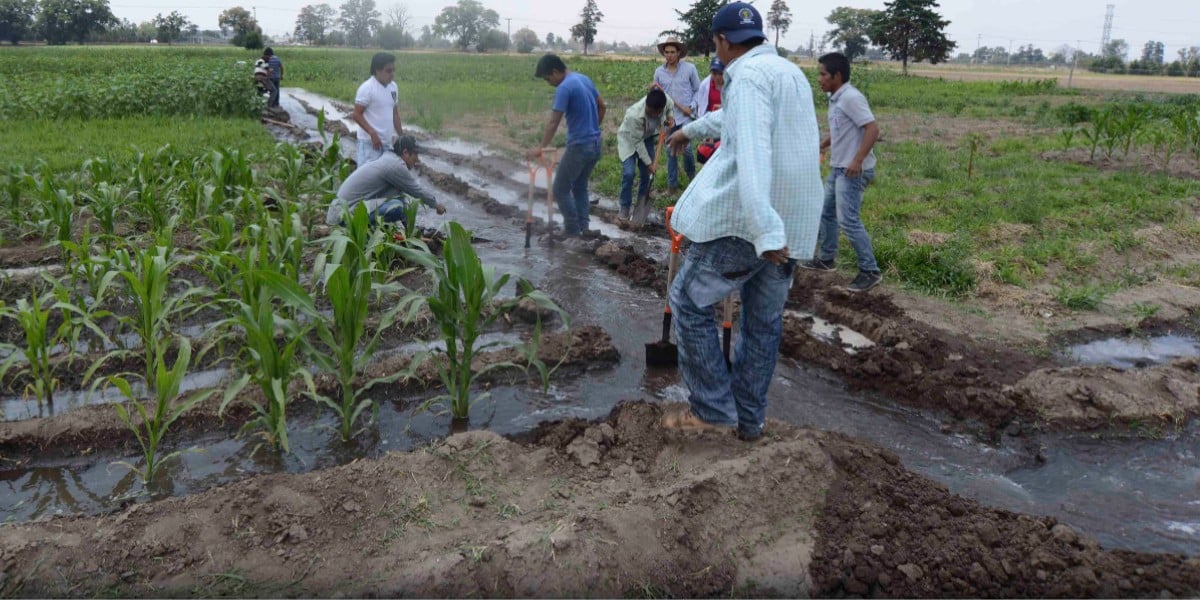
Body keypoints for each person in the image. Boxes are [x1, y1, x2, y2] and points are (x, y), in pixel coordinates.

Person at [661, 2, 823, 441]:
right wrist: (689, 131)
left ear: (723, 41)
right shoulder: (787, 72)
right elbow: (734, 121)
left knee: (689, 301)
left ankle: (712, 410)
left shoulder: (747, 78)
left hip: (752, 225)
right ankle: (749, 423)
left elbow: (752, 155)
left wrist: (764, 231)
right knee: (761, 323)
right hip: (792, 220)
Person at [800, 52, 883, 293]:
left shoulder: (851, 98)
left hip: (852, 171)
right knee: (826, 212)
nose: (819, 78)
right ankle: (826, 259)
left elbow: (872, 129)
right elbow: (841, 131)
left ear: (837, 76)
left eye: (823, 74)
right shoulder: (836, 98)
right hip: (839, 167)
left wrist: (858, 160)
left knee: (849, 220)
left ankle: (870, 270)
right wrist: (823, 145)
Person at [528, 54, 606, 241]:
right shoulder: (583, 79)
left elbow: (554, 122)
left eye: (548, 79)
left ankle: (572, 230)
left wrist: (541, 148)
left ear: (555, 72)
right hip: (595, 144)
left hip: (580, 146)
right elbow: (602, 106)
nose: (549, 83)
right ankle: (583, 228)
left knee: (560, 188)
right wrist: (593, 128)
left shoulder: (564, 87)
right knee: (580, 186)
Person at [326, 136, 446, 227]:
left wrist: (409, 227)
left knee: (398, 200)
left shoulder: (389, 160)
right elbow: (416, 190)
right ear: (405, 153)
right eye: (415, 155)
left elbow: (401, 195)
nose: (417, 159)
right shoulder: (395, 166)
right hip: (341, 217)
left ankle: (374, 230)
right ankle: (365, 234)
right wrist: (436, 204)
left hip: (341, 213)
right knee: (396, 207)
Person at [652, 37, 701, 194]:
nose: (669, 55)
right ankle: (671, 187)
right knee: (670, 151)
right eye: (667, 52)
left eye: (673, 52)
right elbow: (656, 94)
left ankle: (693, 180)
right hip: (669, 118)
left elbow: (698, 90)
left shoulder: (690, 69)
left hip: (686, 116)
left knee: (686, 149)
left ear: (679, 53)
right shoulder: (659, 72)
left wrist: (691, 107)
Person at [616, 88, 673, 221]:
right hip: (629, 139)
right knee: (629, 173)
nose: (651, 114)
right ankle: (624, 207)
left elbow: (670, 106)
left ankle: (639, 209)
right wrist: (649, 163)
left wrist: (670, 117)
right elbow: (637, 143)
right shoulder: (634, 115)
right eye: (649, 111)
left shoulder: (665, 101)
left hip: (647, 137)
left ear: (659, 111)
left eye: (655, 113)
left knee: (646, 176)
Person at [352, 52, 404, 167]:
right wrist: (372, 133)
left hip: (386, 143)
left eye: (393, 70)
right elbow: (356, 114)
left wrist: (402, 136)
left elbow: (395, 114)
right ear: (377, 70)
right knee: (367, 180)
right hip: (369, 144)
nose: (392, 74)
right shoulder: (367, 88)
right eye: (388, 71)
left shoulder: (393, 87)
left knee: (382, 180)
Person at [694, 57, 724, 164]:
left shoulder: (732, 84)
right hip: (711, 124)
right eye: (714, 73)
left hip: (727, 124)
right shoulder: (705, 85)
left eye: (720, 73)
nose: (717, 77)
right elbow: (701, 110)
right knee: (709, 156)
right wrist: (707, 133)